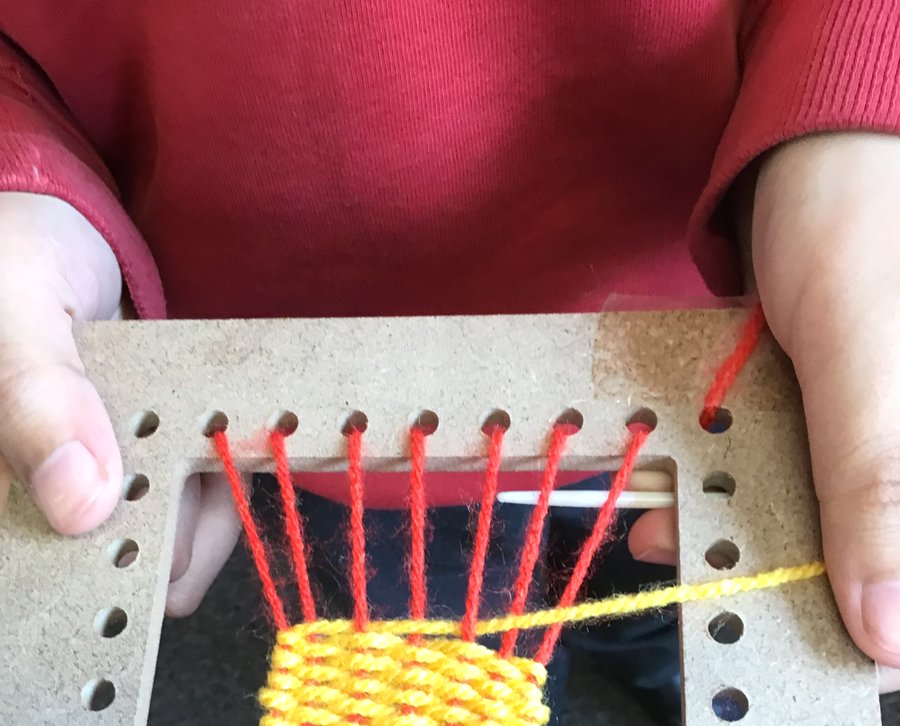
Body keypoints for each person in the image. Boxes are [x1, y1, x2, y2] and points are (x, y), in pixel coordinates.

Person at [1, 4, 899, 688]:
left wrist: (851, 106)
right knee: (427, 664)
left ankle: (635, 660)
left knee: (652, 592)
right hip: (329, 438)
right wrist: (23, 170)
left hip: (680, 377)